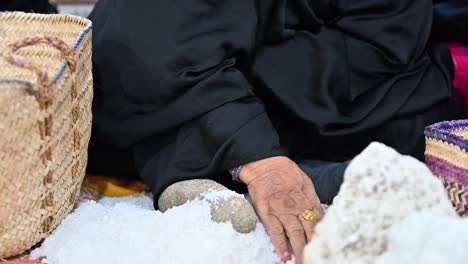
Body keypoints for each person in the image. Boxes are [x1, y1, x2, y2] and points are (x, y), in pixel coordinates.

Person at [84, 0, 466, 263]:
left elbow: (388, 34)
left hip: (356, 60)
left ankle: (204, 155)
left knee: (415, 112)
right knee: (139, 56)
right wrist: (255, 154)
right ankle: (213, 158)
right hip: (202, 47)